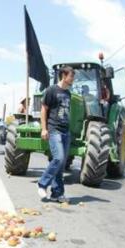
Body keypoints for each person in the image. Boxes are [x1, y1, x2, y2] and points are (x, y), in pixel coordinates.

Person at [37, 66, 75, 203]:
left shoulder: (68, 93)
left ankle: (57, 194)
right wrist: (44, 129)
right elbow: (44, 109)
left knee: (61, 165)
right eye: (71, 76)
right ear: (64, 76)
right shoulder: (51, 90)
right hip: (54, 130)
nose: (73, 79)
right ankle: (42, 184)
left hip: (66, 131)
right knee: (58, 158)